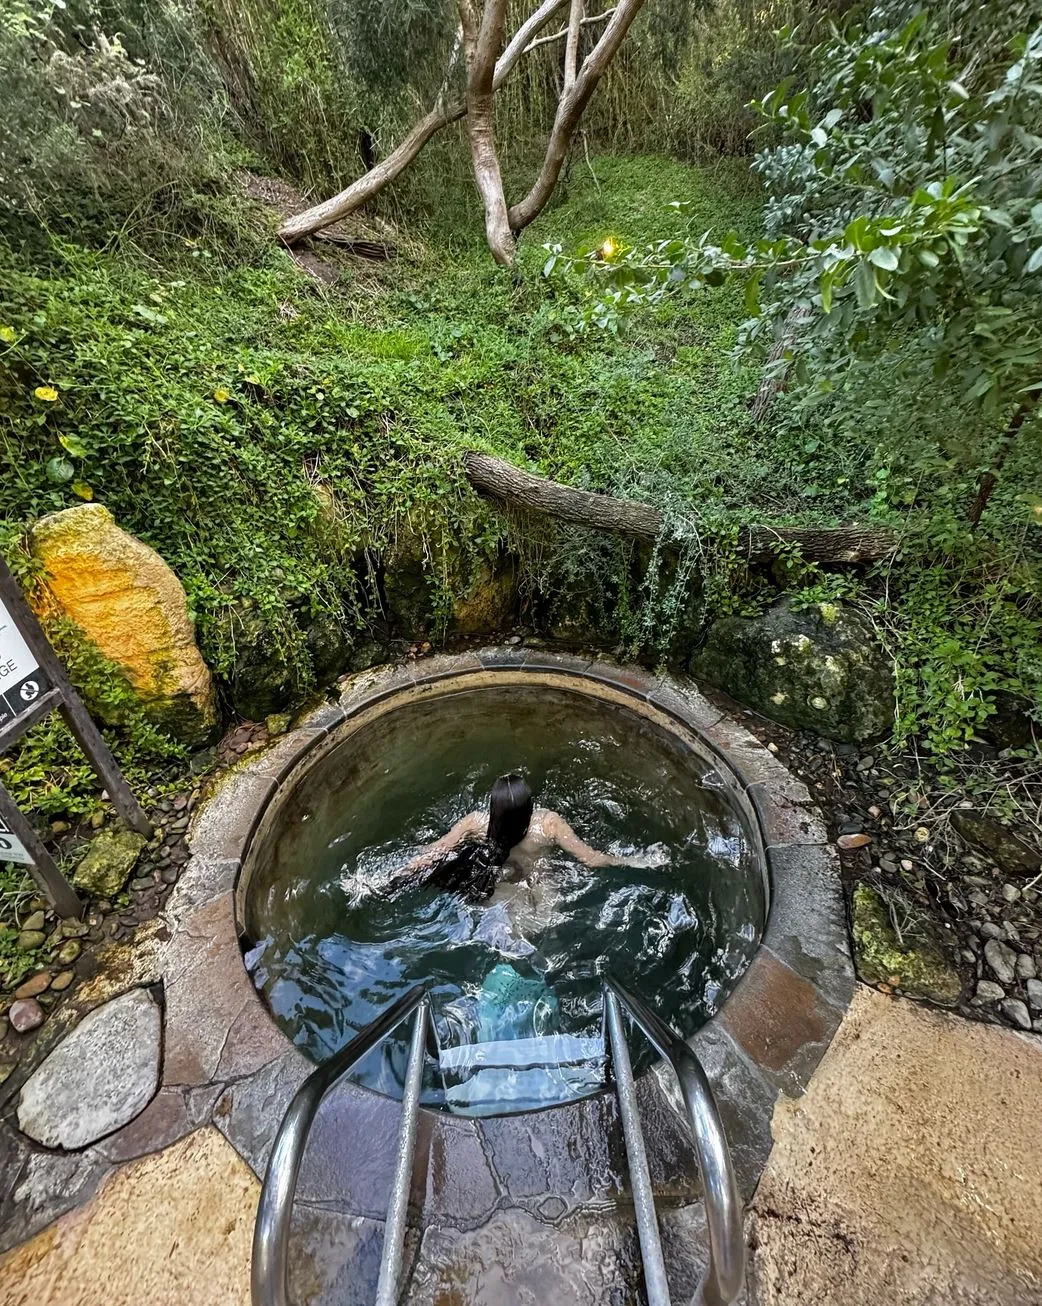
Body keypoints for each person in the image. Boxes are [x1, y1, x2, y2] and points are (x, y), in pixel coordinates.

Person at [405, 773, 663, 902]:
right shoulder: (549, 823)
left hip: (495, 885)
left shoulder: (475, 822)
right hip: (540, 884)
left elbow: (434, 853)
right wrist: (634, 860)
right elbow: (591, 860)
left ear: (494, 806)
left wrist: (399, 872)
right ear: (529, 806)